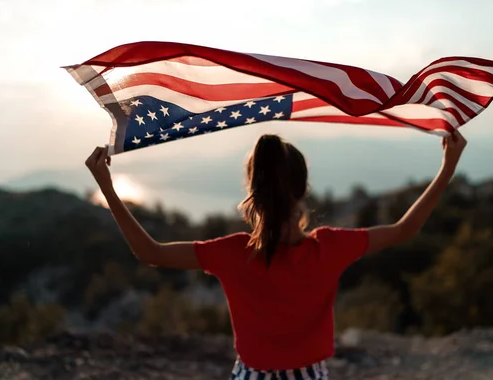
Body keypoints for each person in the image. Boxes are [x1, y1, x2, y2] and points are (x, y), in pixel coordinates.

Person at [85, 130, 467, 380]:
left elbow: (148, 252)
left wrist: (107, 187)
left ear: (254, 189)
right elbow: (404, 229)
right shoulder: (329, 248)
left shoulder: (234, 254)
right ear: (302, 190)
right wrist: (448, 165)